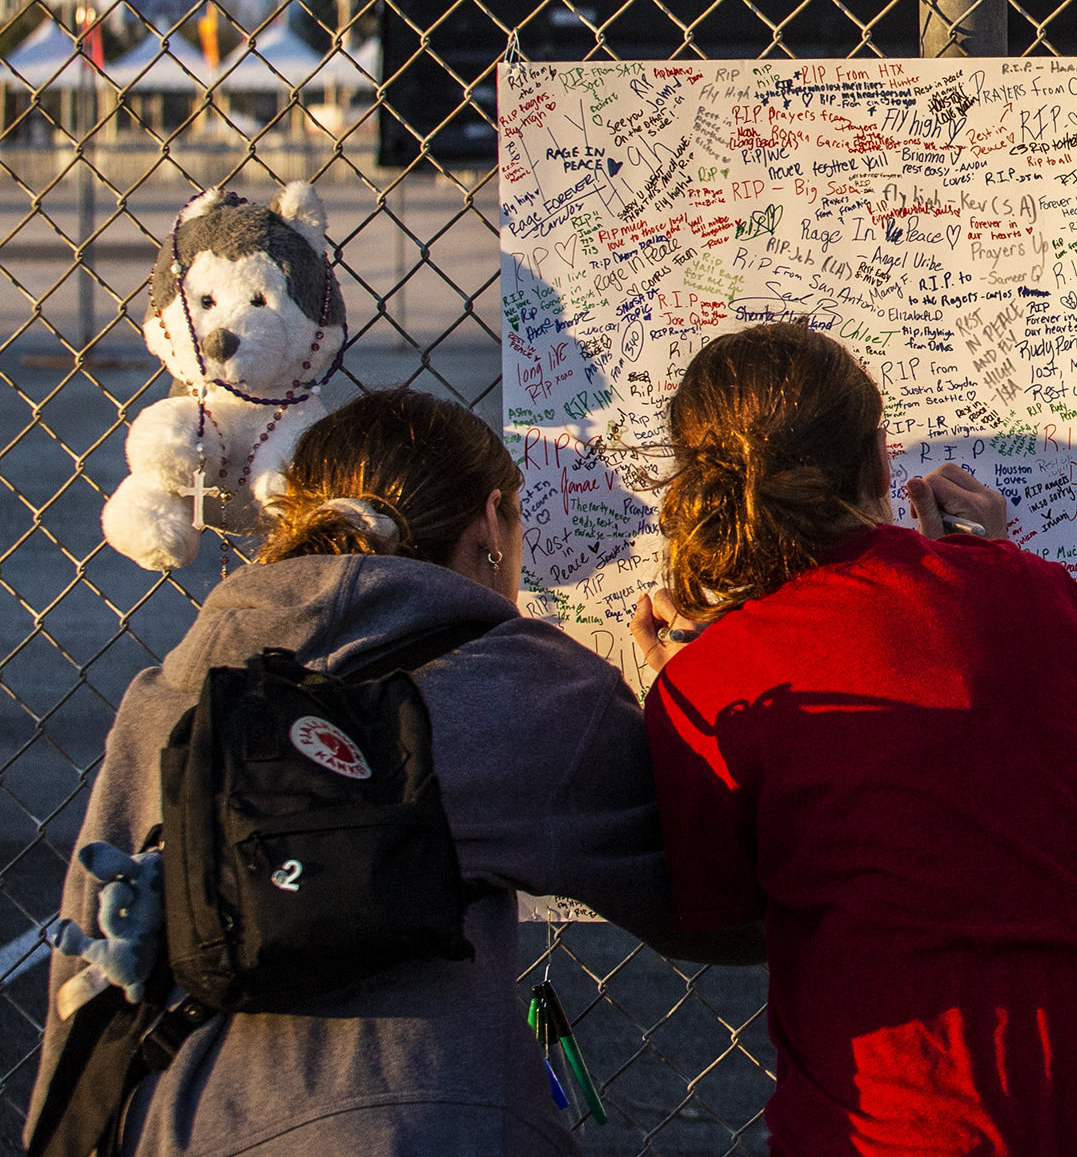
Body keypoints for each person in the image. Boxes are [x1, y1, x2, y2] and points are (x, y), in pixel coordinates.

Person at [25, 387, 680, 1155]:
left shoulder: (168, 697)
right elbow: (709, 896)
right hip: (417, 1129)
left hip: (170, 1124)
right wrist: (690, 704)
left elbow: (83, 986)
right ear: (492, 523)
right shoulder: (523, 687)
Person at [632, 321, 1077, 1157]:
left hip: (896, 1128)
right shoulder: (1028, 587)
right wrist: (991, 573)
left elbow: (727, 920)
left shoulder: (711, 683)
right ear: (880, 457)